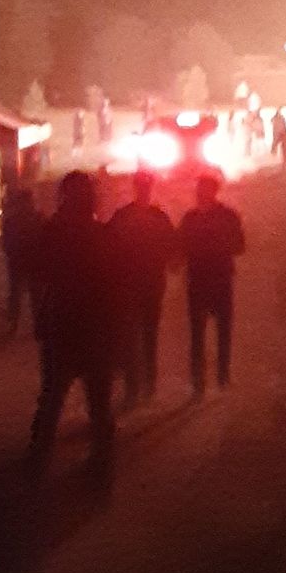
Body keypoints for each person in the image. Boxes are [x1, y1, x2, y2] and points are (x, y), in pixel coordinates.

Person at [29, 170, 114, 479]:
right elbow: (114, 282)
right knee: (98, 400)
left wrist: (41, 316)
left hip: (62, 322)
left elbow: (39, 274)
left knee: (52, 396)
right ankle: (102, 462)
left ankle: (38, 460)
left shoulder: (53, 231)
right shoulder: (99, 233)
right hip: (93, 325)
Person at [107, 170, 177, 405]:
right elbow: (172, 247)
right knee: (147, 335)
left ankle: (136, 386)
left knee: (134, 336)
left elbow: (108, 246)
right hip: (148, 284)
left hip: (133, 285)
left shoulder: (123, 216)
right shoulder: (158, 217)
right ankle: (146, 384)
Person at [178, 171, 245, 395]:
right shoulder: (226, 216)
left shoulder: (193, 218)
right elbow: (239, 246)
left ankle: (207, 380)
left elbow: (239, 245)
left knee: (205, 332)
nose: (199, 194)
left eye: (202, 190)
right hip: (212, 280)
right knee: (211, 332)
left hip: (208, 280)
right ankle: (214, 378)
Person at [0, 183, 43, 337]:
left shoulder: (12, 220)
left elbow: (6, 242)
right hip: (32, 262)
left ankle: (14, 324)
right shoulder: (38, 218)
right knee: (34, 295)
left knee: (17, 294)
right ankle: (35, 324)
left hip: (19, 261)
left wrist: (11, 255)